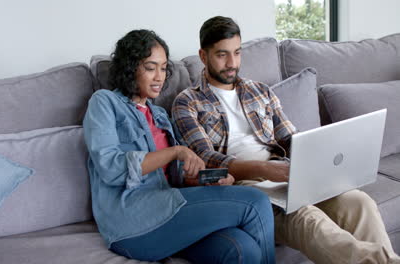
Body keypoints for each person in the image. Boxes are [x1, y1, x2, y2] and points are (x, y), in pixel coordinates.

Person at [172, 16, 400, 264]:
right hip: (243, 185)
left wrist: (316, 160)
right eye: (221, 55)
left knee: (359, 202)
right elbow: (207, 160)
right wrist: (267, 169)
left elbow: (292, 139)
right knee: (307, 218)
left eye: (237, 53)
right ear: (203, 56)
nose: (232, 63)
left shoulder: (260, 91)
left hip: (286, 174)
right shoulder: (187, 102)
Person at [83, 29, 276, 264]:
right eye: (150, 67)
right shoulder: (104, 102)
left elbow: (177, 178)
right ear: (130, 68)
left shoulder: (160, 115)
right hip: (131, 222)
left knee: (243, 249)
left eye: (163, 68)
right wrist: (174, 151)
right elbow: (110, 168)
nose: (159, 77)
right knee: (255, 201)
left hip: (171, 211)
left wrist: (210, 180)